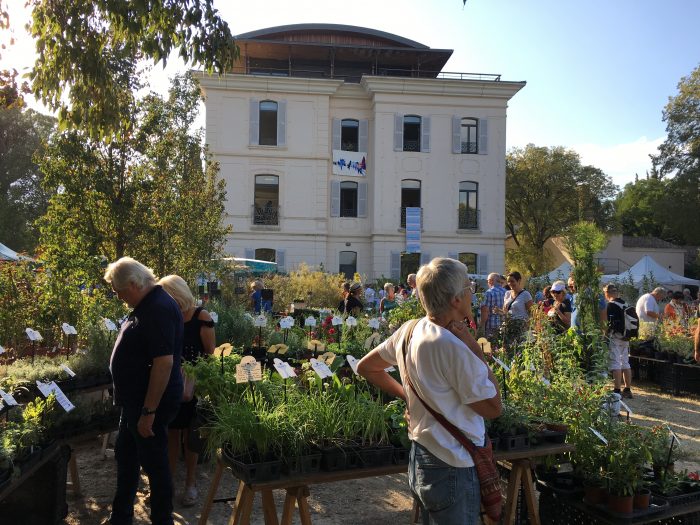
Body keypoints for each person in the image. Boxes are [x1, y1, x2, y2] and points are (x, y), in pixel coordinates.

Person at [357, 257, 501, 524]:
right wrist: (473, 345)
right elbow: (493, 407)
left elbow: (367, 367)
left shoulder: (410, 330)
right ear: (456, 300)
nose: (473, 292)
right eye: (469, 286)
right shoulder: (454, 347)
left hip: (422, 457)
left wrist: (409, 397)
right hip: (453, 463)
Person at [104, 257, 183, 525]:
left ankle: (162, 520)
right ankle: (121, 516)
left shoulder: (158, 308)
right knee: (126, 458)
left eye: (119, 292)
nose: (119, 297)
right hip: (135, 403)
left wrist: (148, 412)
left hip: (149, 404)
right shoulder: (147, 305)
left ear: (135, 284)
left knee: (155, 465)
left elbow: (164, 363)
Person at [159, 275, 215, 507]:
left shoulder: (201, 316)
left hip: (194, 384)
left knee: (191, 437)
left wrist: (197, 379)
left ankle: (190, 483)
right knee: (171, 434)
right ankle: (169, 483)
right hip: (170, 382)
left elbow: (211, 353)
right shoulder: (166, 316)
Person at [603, 284, 633, 399]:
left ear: (607, 293)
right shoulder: (625, 303)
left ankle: (616, 390)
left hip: (615, 336)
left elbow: (608, 323)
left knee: (615, 362)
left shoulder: (610, 305)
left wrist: (605, 335)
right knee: (625, 362)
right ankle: (628, 389)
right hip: (626, 337)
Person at [479, 272, 506, 340]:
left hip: (491, 324)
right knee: (500, 347)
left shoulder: (489, 292)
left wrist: (481, 326)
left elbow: (485, 311)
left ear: (491, 281)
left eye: (488, 281)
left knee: (488, 346)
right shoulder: (506, 292)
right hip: (503, 323)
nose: (487, 283)